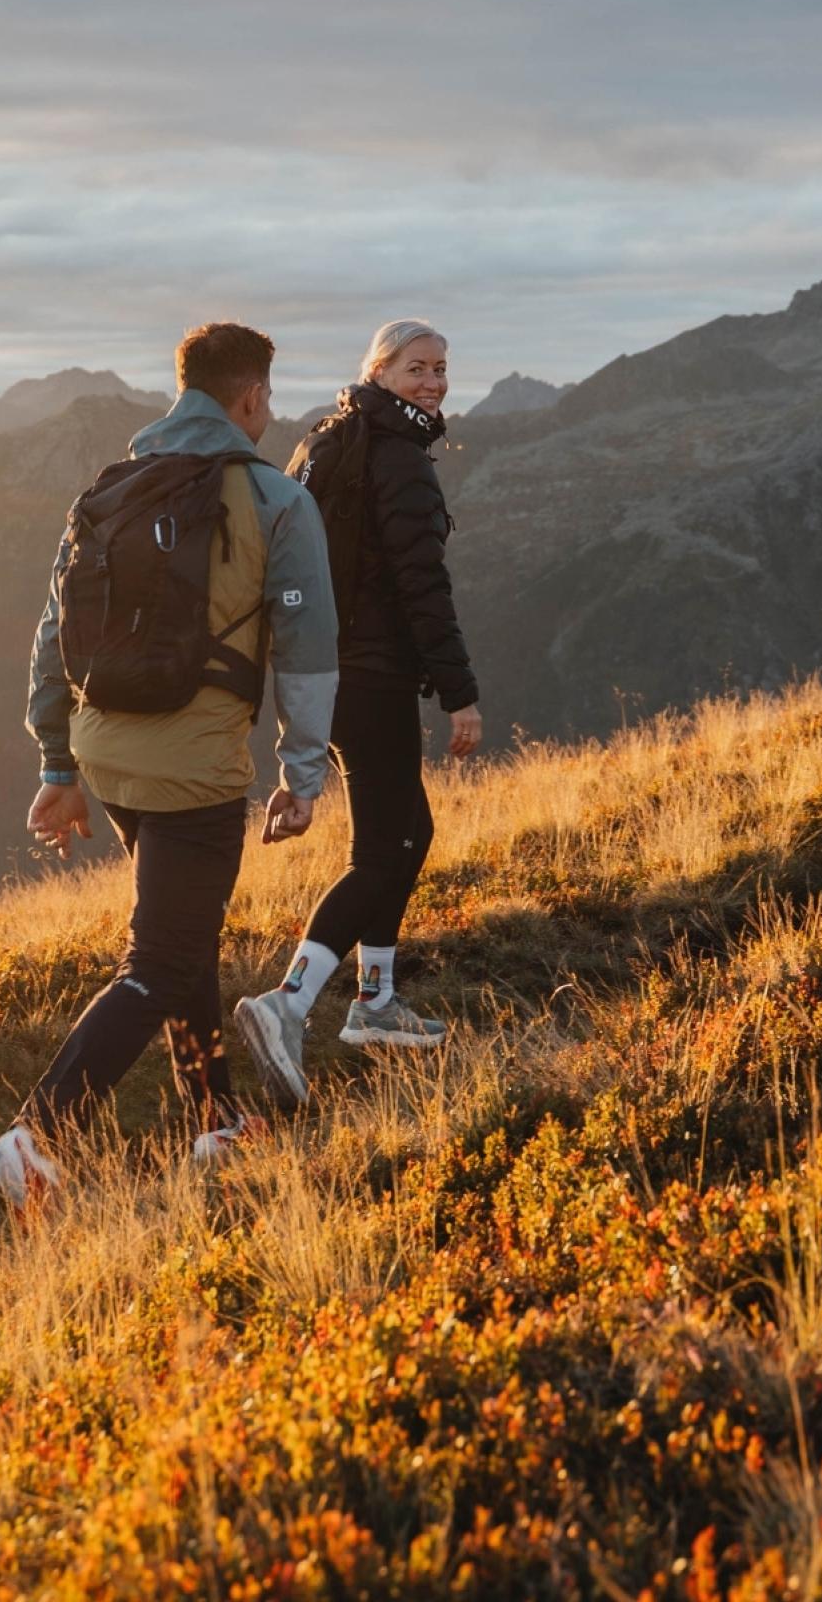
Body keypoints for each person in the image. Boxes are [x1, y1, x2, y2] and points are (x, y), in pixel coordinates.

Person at [0, 321, 339, 1205]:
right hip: (195, 768)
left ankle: (214, 1121)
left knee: (186, 939)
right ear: (249, 397)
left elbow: (52, 638)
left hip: (110, 755)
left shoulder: (110, 489)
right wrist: (302, 773)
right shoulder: (276, 501)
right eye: (266, 399)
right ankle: (35, 1136)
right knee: (158, 958)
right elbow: (307, 648)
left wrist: (59, 766)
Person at [234, 319, 481, 1109]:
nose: (434, 382)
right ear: (379, 370)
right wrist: (460, 691)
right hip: (371, 676)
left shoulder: (325, 440)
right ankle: (289, 1005)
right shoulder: (397, 455)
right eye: (418, 368)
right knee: (384, 849)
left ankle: (376, 1003)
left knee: (409, 834)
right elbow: (421, 586)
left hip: (327, 673)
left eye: (441, 369)